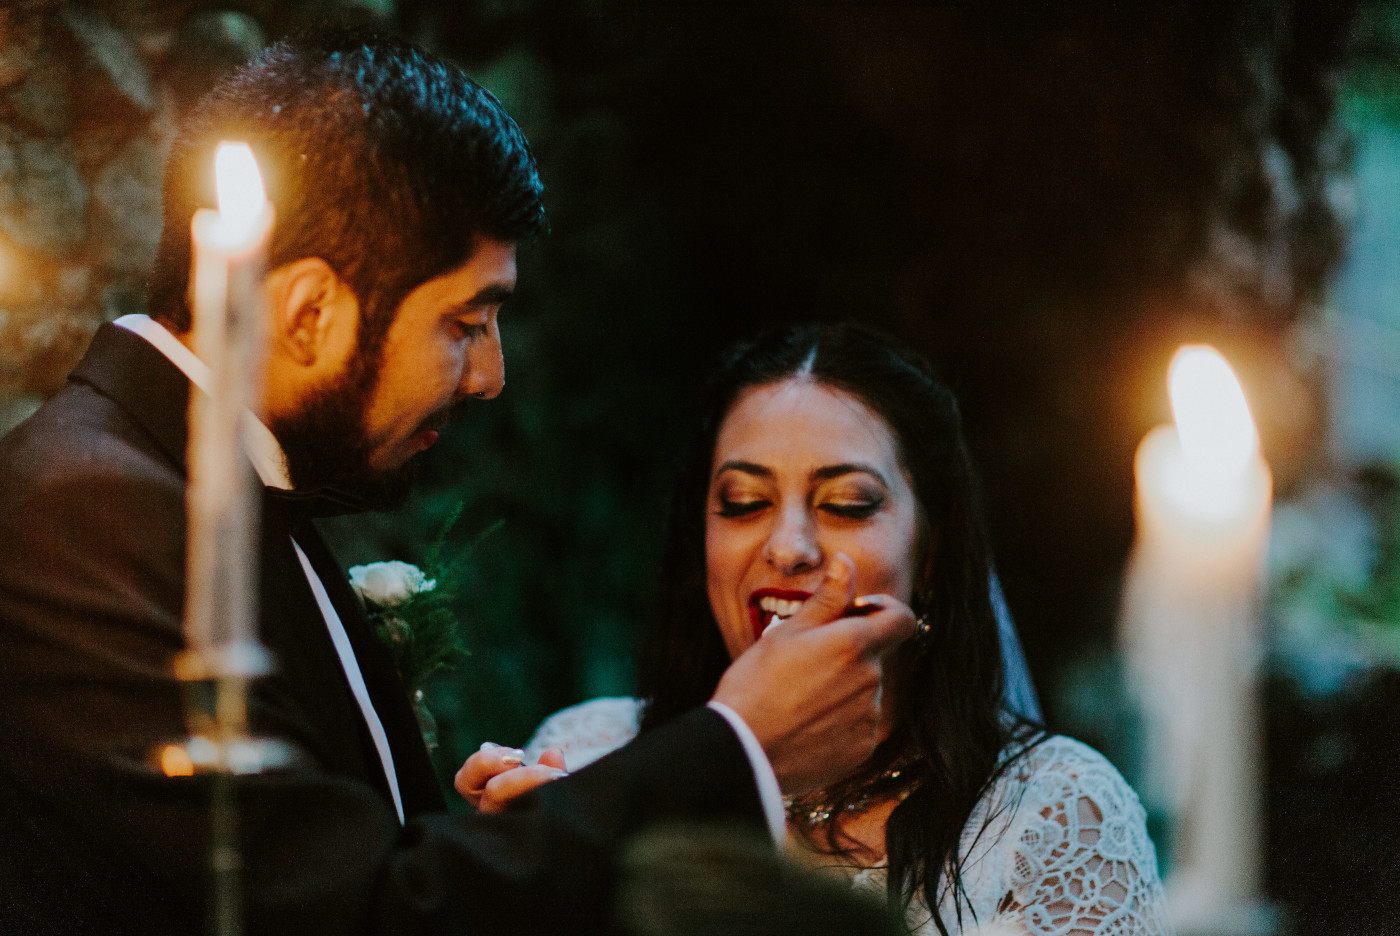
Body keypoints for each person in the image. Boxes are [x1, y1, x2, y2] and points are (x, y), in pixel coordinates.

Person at [0, 33, 914, 935]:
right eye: (465, 321)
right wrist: (739, 744)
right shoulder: (86, 513)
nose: (490, 376)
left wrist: (505, 851)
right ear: (311, 313)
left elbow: (343, 872)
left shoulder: (201, 486)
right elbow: (353, 916)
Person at [525, 324, 1172, 936]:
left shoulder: (1055, 815)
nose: (789, 547)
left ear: (932, 548)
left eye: (847, 505)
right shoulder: (588, 758)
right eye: (744, 503)